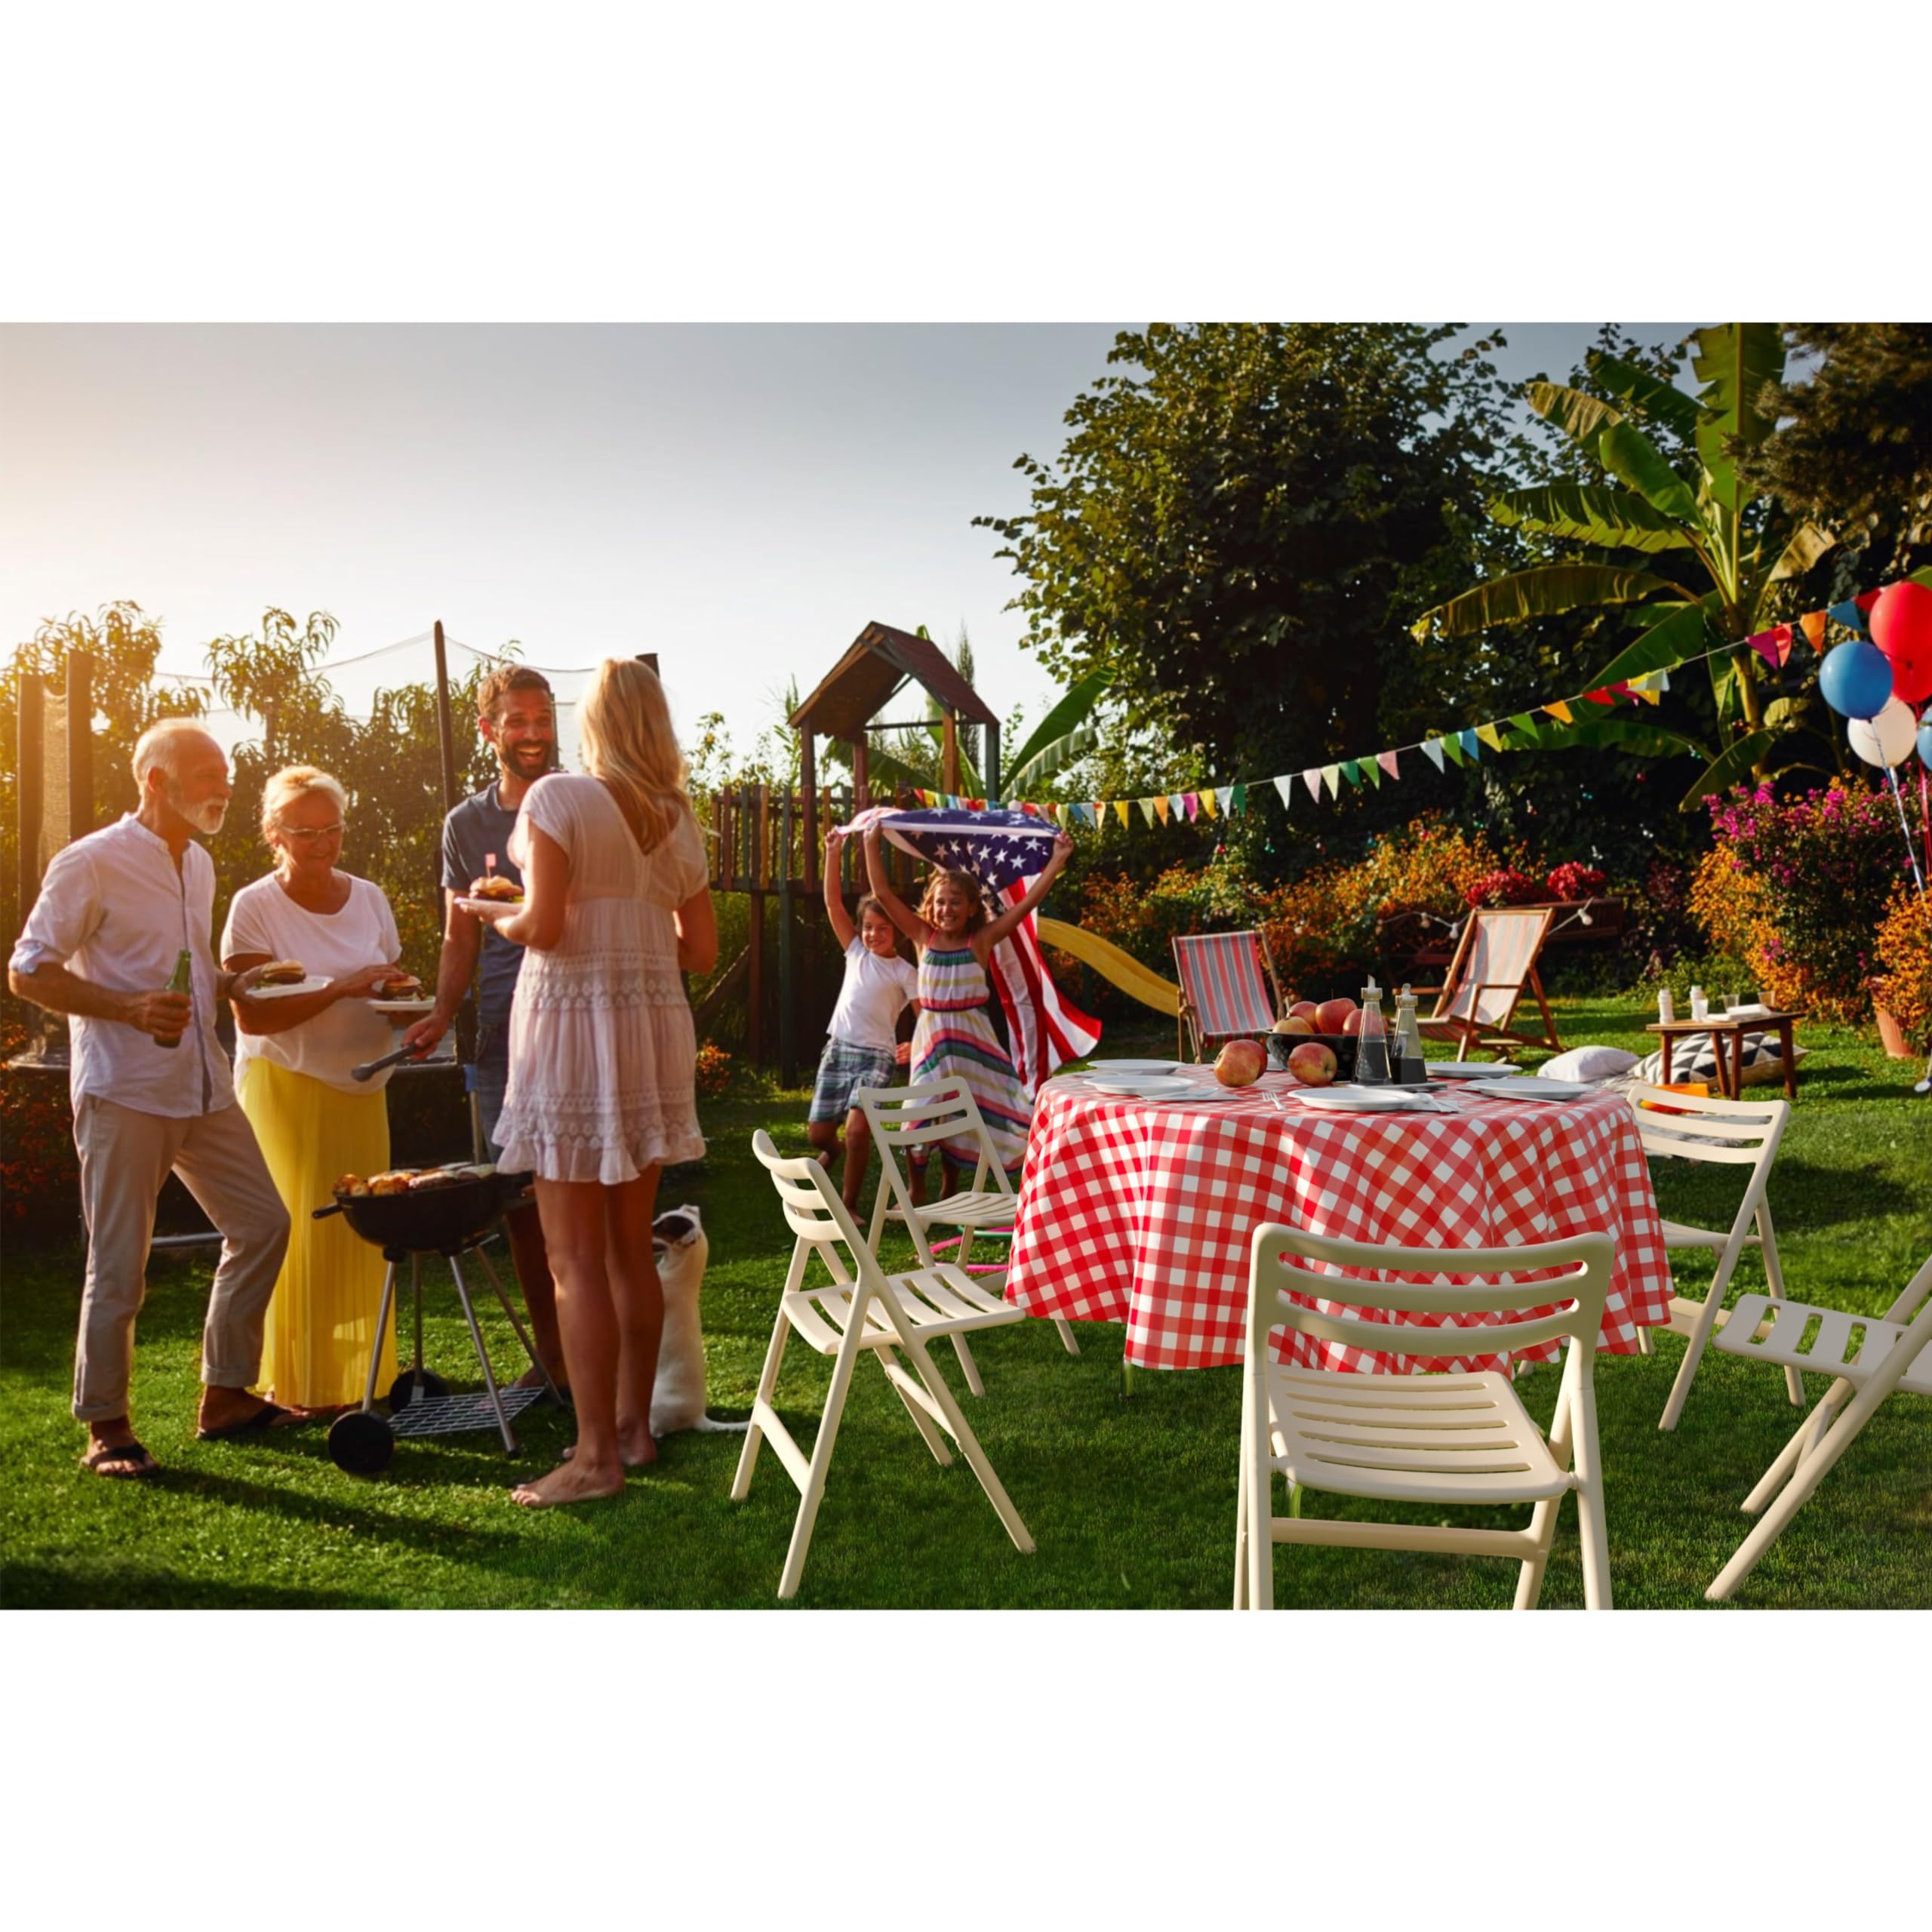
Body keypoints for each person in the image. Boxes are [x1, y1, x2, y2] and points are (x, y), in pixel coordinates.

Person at [8, 720, 296, 1478]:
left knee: (264, 1223)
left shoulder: (197, 863)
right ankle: (107, 1426)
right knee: (120, 1264)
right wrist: (128, 1008)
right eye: (206, 774)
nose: (222, 787)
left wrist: (235, 983)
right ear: (155, 781)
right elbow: (28, 971)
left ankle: (226, 1394)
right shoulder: (90, 862)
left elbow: (187, 965)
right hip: (125, 1090)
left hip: (203, 1084)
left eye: (225, 774)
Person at [472, 657, 716, 1508]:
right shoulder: (679, 820)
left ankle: (591, 1459)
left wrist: (487, 914)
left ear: (595, 723)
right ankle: (635, 1432)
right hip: (651, 1029)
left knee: (573, 1258)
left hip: (573, 1028)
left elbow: (537, 924)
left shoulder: (557, 800)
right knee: (625, 1251)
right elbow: (702, 952)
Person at [221, 766, 408, 1412]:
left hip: (363, 1085)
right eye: (305, 832)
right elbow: (252, 1015)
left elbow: (384, 984)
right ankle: (295, 1381)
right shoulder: (255, 905)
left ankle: (358, 1380)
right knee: (297, 1231)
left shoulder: (370, 897)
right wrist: (340, 988)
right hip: (287, 1086)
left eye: (331, 829)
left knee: (360, 1229)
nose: (322, 843)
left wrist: (408, 1009)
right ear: (274, 833)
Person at [401, 666, 565, 1392]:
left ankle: (614, 1361)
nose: (533, 734)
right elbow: (457, 935)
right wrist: (441, 1011)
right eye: (518, 721)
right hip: (501, 1033)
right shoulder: (464, 826)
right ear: (489, 729)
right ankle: (555, 1360)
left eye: (543, 719)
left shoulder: (580, 800)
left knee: (586, 1194)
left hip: (574, 1020)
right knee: (521, 1202)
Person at [862, 823, 1072, 1196]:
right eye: (941, 902)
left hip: (975, 1042)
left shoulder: (982, 940)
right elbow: (882, 893)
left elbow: (1024, 906)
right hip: (933, 1041)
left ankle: (951, 1186)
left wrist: (1055, 863)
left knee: (970, 1113)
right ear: (931, 906)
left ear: (973, 907)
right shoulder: (923, 937)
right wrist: (871, 843)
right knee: (922, 1108)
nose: (948, 909)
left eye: (957, 902)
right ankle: (916, 1188)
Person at [808, 828, 918, 1212]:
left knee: (858, 1132)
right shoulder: (855, 951)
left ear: (898, 933)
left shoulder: (905, 973)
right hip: (839, 1049)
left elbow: (926, 1016)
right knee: (819, 1134)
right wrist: (834, 852)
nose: (873, 934)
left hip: (877, 1057)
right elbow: (832, 902)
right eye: (869, 927)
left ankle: (849, 1204)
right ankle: (832, 1153)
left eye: (883, 928)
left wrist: (917, 1044)